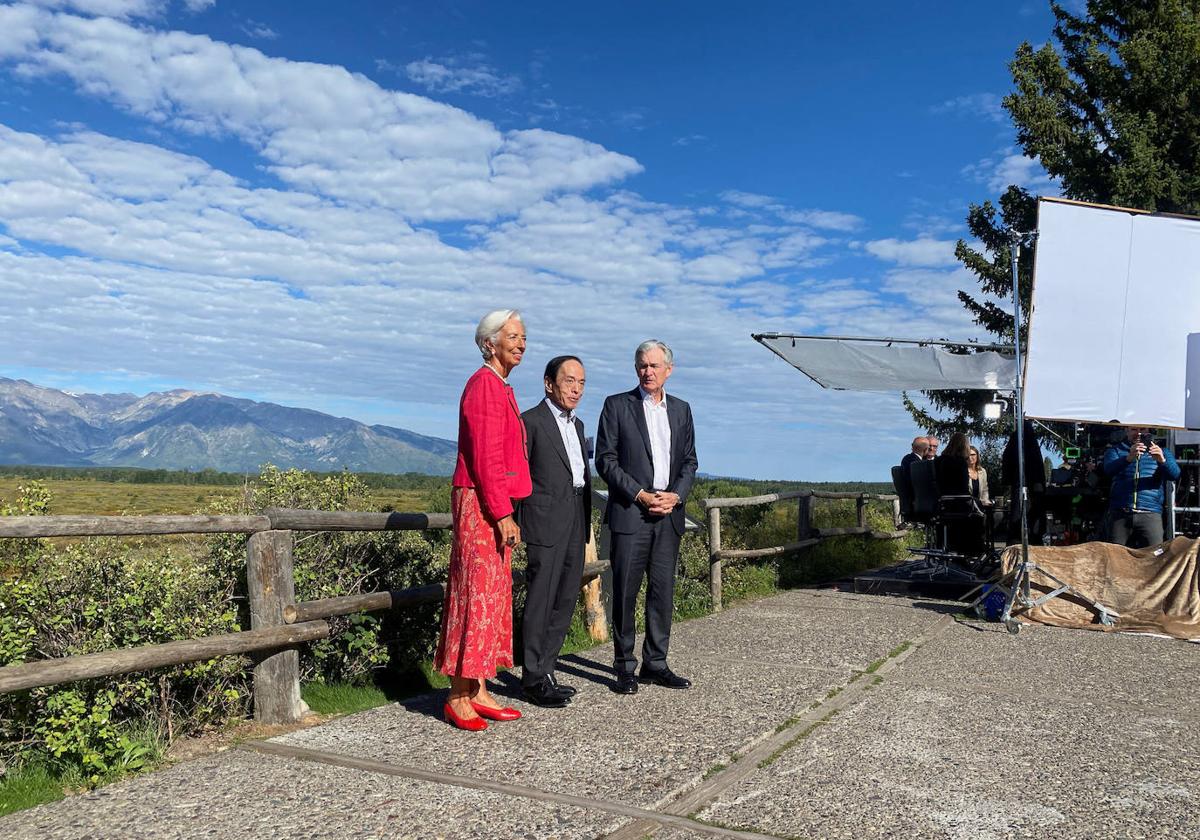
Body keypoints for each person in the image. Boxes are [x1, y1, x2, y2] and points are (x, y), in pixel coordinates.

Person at [434, 309, 532, 731]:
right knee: (476, 593)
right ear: (489, 342)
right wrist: (502, 513)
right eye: (512, 335)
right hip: (480, 500)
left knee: (493, 593)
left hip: (489, 499)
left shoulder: (499, 386)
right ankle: (458, 694)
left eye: (524, 336)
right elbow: (485, 458)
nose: (521, 342)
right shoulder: (483, 387)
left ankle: (479, 688)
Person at [596, 339, 698, 694]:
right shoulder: (616, 406)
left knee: (662, 592)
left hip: (668, 515)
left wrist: (676, 496)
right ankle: (624, 666)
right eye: (642, 365)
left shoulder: (682, 410)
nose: (647, 371)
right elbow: (605, 460)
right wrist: (639, 494)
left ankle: (656, 663)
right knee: (625, 592)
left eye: (654, 366)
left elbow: (689, 461)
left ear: (669, 370)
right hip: (631, 513)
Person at [517, 355, 591, 708]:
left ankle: (547, 669)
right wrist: (514, 520)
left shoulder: (577, 425)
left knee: (564, 597)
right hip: (544, 519)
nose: (575, 389)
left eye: (581, 383)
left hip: (576, 514)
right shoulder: (530, 421)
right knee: (541, 598)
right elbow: (518, 475)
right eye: (569, 381)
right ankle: (531, 677)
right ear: (549, 383)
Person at [1103, 427, 1180, 548]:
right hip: (1121, 513)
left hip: (1150, 513)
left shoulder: (1162, 451)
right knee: (1115, 558)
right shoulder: (1116, 450)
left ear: (1149, 432)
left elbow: (1174, 474)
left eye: (1143, 429)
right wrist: (1128, 458)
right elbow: (1108, 470)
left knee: (1153, 557)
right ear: (1126, 431)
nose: (1138, 433)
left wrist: (1162, 460)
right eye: (1134, 429)